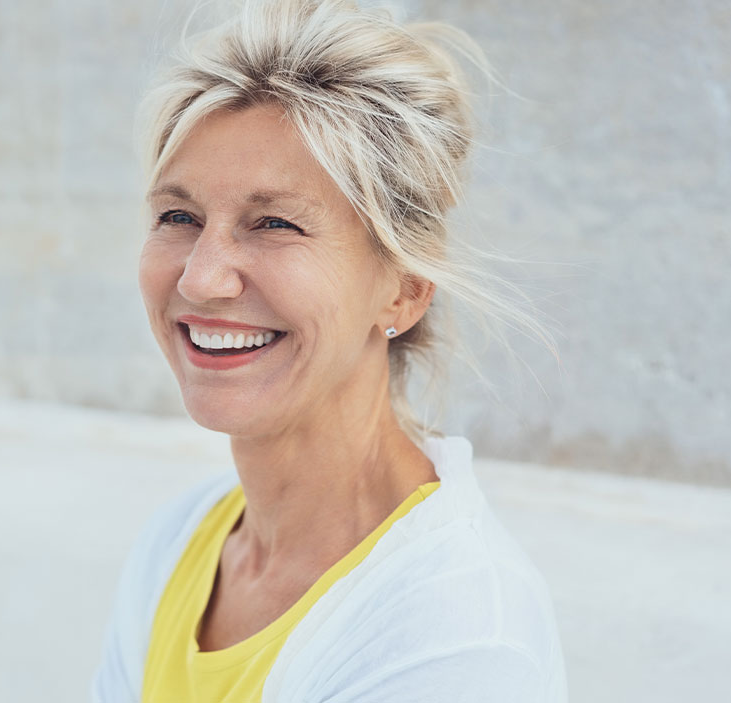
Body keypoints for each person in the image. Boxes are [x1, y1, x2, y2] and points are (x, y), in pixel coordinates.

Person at [92, 1, 566, 701]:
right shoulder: (179, 544)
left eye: (275, 222)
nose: (200, 277)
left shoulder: (455, 630)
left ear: (404, 289)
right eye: (178, 217)